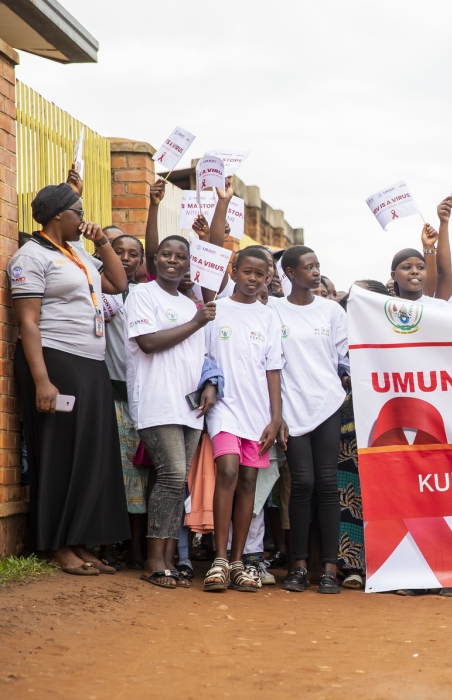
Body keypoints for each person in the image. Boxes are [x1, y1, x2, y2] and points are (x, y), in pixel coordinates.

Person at [11, 182, 130, 575]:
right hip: (56, 360)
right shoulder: (30, 256)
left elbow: (118, 285)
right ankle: (55, 544)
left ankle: (78, 539)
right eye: (78, 212)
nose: (84, 218)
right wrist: (42, 380)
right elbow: (28, 322)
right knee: (58, 452)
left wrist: (104, 244)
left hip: (91, 364)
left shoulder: (77, 252)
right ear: (59, 215)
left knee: (90, 455)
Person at [201, 181, 286, 593]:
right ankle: (218, 558)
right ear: (233, 271)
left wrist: (276, 416)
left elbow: (274, 369)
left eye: (261, 274)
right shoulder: (215, 304)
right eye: (247, 271)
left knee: (250, 483)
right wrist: (223, 203)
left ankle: (239, 561)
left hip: (257, 412)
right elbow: (214, 250)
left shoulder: (270, 317)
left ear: (269, 278)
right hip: (223, 407)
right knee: (228, 470)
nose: (253, 279)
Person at [124, 235, 216, 588]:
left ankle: (165, 559)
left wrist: (210, 385)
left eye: (181, 256)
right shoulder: (143, 295)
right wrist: (196, 322)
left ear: (189, 264)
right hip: (156, 400)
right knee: (172, 475)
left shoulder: (192, 301)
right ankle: (152, 561)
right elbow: (147, 343)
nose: (173, 260)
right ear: (155, 259)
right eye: (166, 254)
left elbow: (202, 357)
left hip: (190, 406)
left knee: (177, 484)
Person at [275, 245, 351, 595]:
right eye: (308, 267)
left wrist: (349, 380)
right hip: (291, 408)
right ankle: (298, 566)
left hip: (327, 404)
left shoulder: (332, 311)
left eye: (318, 265)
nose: (316, 271)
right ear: (290, 273)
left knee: (327, 484)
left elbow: (344, 359)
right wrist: (277, 415)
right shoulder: (273, 311)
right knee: (301, 484)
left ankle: (329, 569)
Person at [101, 233, 149, 569]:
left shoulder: (146, 297)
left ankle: (136, 549)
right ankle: (105, 546)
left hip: (140, 397)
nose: (126, 259)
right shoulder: (97, 291)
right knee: (108, 473)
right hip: (107, 390)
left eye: (133, 254)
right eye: (119, 252)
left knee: (138, 476)